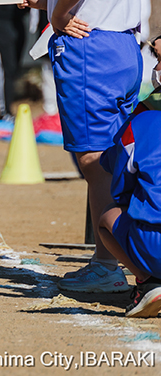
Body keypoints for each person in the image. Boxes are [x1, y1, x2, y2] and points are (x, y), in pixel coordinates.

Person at [14, 0, 143, 294]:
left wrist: (59, 13)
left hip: (93, 57)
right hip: (124, 51)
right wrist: (44, 2)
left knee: (94, 160)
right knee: (114, 156)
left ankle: (119, 263)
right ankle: (113, 256)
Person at [96, 83, 161, 317]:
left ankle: (148, 283)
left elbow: (120, 193)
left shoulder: (141, 123)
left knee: (107, 217)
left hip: (155, 243)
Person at [27, 0, 74, 116]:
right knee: (48, 68)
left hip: (72, 26)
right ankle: (50, 110)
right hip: (48, 25)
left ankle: (67, 112)